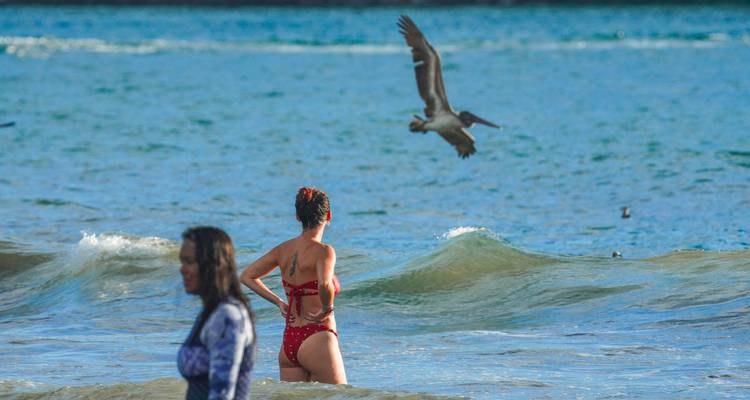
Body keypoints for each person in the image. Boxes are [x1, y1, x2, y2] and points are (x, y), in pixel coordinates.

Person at [240, 187, 346, 384]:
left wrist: (279, 301)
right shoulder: (324, 251)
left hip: (289, 343)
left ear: (298, 216)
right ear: (329, 215)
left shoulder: (283, 250)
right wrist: (326, 307)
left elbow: (247, 276)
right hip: (318, 338)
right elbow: (324, 284)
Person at [177, 226, 255, 400]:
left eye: (189, 262)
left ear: (212, 264)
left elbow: (222, 393)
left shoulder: (227, 316)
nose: (182, 269)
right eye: (182, 261)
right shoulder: (211, 312)